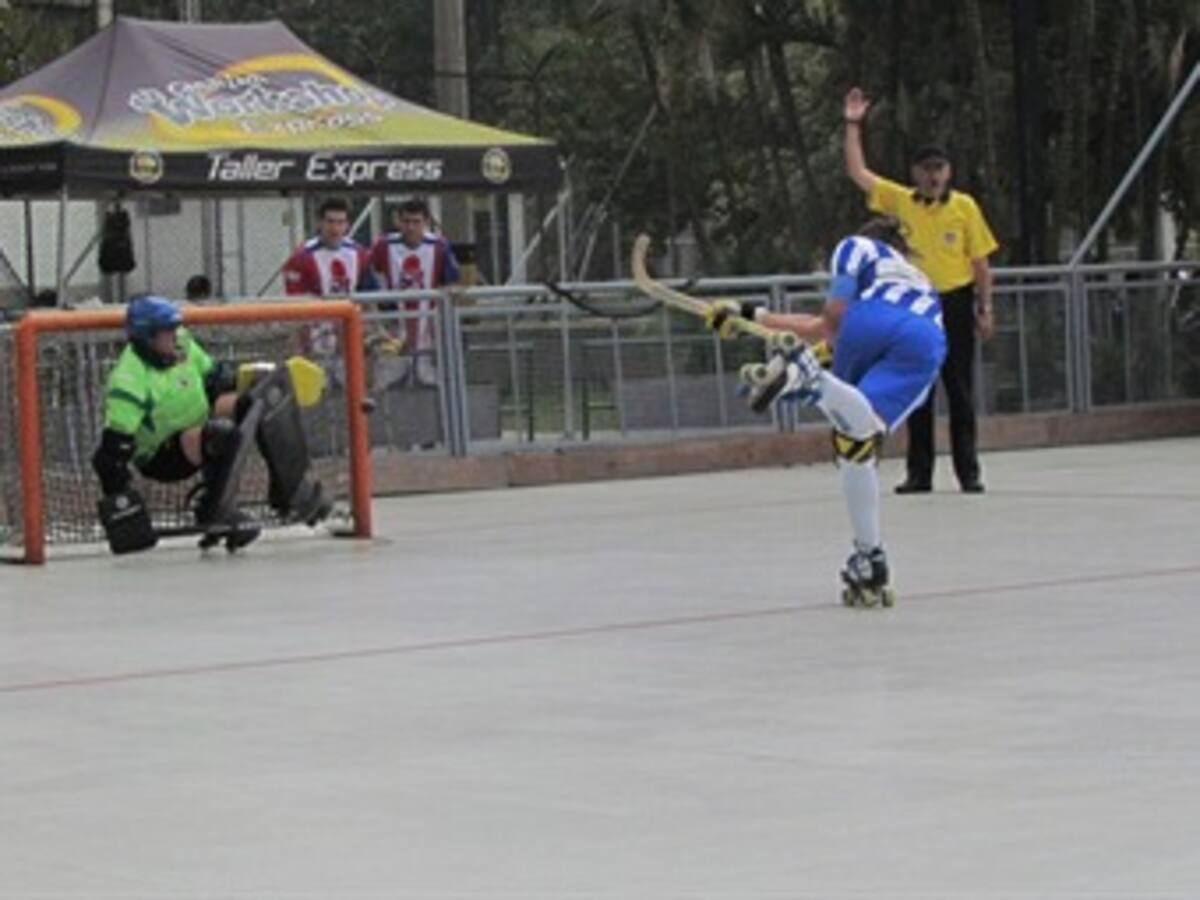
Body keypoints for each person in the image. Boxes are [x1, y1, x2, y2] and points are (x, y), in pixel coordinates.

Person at [708, 217, 946, 607]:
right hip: (924, 338)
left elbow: (834, 317)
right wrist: (748, 315)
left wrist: (819, 353)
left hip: (866, 324)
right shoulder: (917, 279)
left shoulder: (855, 246)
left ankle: (808, 379)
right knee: (859, 435)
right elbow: (825, 329)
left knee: (849, 430)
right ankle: (869, 557)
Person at [843, 86, 998, 493]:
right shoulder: (902, 202)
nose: (933, 176)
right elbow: (859, 173)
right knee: (918, 390)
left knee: (960, 390)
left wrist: (985, 308)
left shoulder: (964, 207)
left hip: (955, 302)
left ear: (948, 171)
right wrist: (853, 125)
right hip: (915, 307)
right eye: (927, 168)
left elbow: (980, 262)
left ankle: (969, 472)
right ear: (915, 172)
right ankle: (919, 473)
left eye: (939, 168)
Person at [90, 295, 329, 555]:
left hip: (197, 417)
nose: (175, 336)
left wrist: (242, 381)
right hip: (163, 454)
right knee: (221, 435)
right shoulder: (129, 380)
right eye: (167, 331)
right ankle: (214, 510)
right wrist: (124, 510)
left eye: (175, 328)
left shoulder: (181, 343)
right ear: (147, 337)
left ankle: (290, 490)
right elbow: (110, 457)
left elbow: (213, 379)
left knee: (260, 400)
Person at [369, 198, 460, 386]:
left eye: (416, 222)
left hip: (428, 322)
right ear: (398, 221)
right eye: (406, 221)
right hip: (394, 321)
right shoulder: (383, 246)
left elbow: (451, 282)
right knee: (388, 376)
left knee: (429, 375)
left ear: (426, 222)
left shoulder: (439, 246)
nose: (411, 227)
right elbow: (369, 275)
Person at [283, 196, 378, 359]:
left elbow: (369, 296)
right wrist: (300, 347)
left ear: (347, 225)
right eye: (330, 222)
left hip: (349, 332)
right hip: (316, 334)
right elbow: (296, 306)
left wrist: (373, 328)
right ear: (320, 223)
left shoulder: (358, 253)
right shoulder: (302, 257)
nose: (335, 228)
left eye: (340, 222)